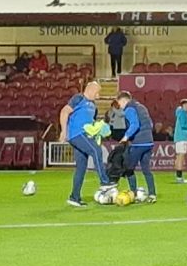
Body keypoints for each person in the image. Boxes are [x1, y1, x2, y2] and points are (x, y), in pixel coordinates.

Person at [62, 80, 114, 208]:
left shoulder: (93, 106)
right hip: (77, 133)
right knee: (96, 150)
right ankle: (104, 181)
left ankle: (74, 197)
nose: (98, 96)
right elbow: (64, 112)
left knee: (81, 168)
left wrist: (99, 131)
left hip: (84, 135)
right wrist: (64, 131)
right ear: (90, 90)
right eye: (97, 93)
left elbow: (92, 124)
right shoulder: (78, 98)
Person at [116, 93, 157, 200]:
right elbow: (151, 124)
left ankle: (133, 194)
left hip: (139, 143)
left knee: (129, 169)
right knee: (146, 170)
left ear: (124, 101)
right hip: (149, 142)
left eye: (119, 103)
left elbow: (135, 124)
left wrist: (126, 137)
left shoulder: (129, 109)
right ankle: (152, 194)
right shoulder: (142, 107)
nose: (119, 106)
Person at [172, 99, 187, 181]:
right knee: (181, 157)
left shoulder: (179, 112)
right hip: (182, 137)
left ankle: (178, 176)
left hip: (178, 137)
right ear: (184, 105)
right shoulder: (183, 113)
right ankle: (179, 177)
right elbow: (183, 125)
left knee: (179, 157)